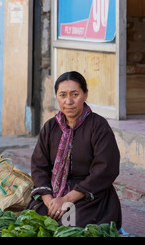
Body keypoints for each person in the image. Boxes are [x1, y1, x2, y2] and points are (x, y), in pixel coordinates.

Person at [26, 71, 122, 229]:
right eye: (62, 95)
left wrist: (67, 199)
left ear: (85, 95)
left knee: (69, 227)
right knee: (33, 222)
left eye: (75, 94)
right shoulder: (50, 127)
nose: (68, 101)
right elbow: (39, 166)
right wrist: (50, 201)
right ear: (56, 96)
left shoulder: (98, 126)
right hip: (53, 194)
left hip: (89, 195)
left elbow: (105, 169)